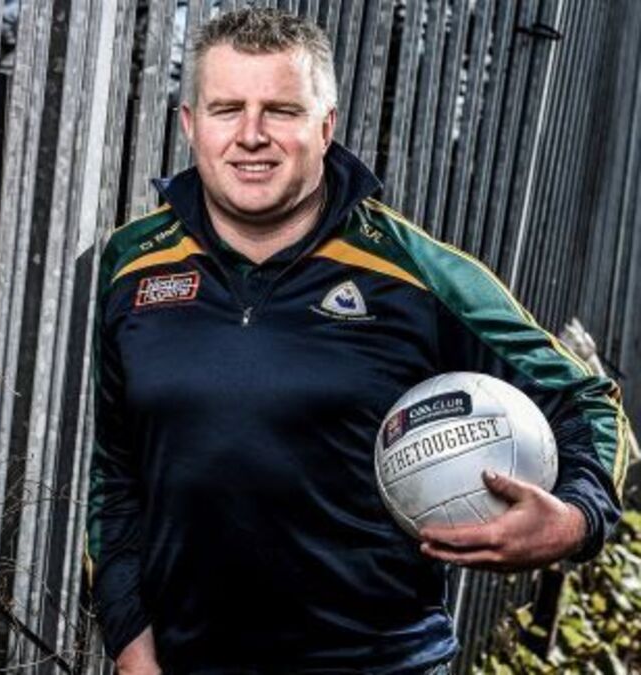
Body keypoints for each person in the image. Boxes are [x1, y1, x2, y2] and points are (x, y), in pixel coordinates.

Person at [85, 8, 632, 674]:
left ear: (326, 125)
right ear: (190, 123)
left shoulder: (414, 274)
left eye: (281, 110)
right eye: (227, 109)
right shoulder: (133, 265)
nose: (251, 135)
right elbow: (116, 474)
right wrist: (131, 639)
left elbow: (587, 401)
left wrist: (573, 520)